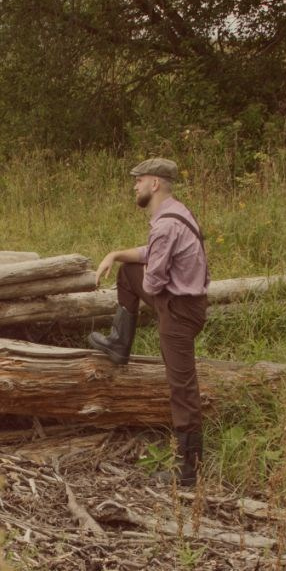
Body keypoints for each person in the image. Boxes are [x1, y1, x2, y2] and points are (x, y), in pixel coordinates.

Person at [89, 157, 209, 487]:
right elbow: (149, 254)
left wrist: (151, 276)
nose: (135, 186)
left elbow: (154, 283)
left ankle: (189, 469)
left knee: (182, 388)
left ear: (154, 184)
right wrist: (115, 254)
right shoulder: (175, 213)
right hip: (181, 303)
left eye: (139, 180)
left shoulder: (166, 225)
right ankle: (119, 343)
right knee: (128, 270)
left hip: (180, 312)